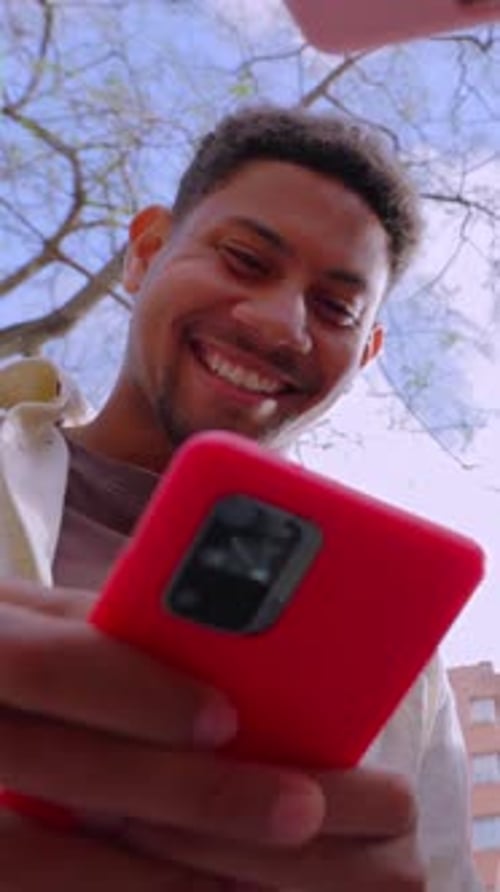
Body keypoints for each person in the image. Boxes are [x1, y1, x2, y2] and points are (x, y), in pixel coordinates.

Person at [0, 106, 480, 891]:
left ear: (369, 352)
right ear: (147, 252)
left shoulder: (401, 664)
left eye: (336, 310)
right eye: (245, 260)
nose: (279, 324)